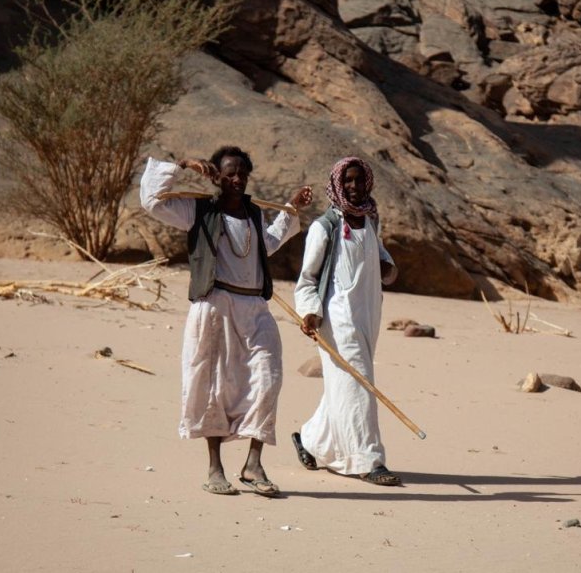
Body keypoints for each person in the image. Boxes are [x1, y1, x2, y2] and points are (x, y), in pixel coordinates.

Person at [140, 146, 313, 497]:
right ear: (216, 177)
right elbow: (152, 201)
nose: (237, 179)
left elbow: (268, 244)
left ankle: (253, 464)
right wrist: (182, 165)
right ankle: (215, 468)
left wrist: (291, 208)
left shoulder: (253, 213)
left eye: (242, 174)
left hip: (255, 309)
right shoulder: (197, 211)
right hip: (215, 307)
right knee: (214, 388)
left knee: (267, 379)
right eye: (229, 173)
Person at [291, 156, 401, 486]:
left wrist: (388, 268)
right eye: (348, 181)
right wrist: (309, 312)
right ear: (338, 185)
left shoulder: (370, 220)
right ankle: (369, 460)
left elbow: (381, 259)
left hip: (368, 315)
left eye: (359, 180)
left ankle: (310, 439)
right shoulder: (324, 227)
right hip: (337, 318)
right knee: (359, 385)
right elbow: (307, 279)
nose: (354, 186)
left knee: (344, 386)